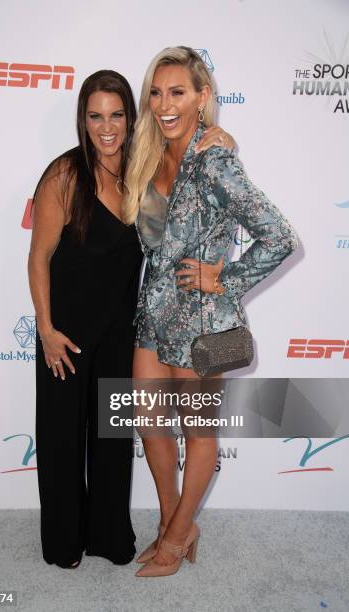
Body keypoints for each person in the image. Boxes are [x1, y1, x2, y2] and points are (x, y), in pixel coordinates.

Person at [28, 69, 234, 569]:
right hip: (65, 336)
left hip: (123, 333)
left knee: (112, 444)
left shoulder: (143, 170)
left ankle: (109, 536)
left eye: (116, 114)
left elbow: (195, 159)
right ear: (83, 119)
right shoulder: (63, 175)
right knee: (60, 441)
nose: (107, 127)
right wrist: (46, 329)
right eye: (96, 116)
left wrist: (219, 133)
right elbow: (37, 259)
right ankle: (63, 542)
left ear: (130, 116)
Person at [124, 46, 298, 577]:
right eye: (156, 92)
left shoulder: (215, 159)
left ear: (202, 97)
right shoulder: (149, 156)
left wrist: (226, 277)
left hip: (204, 324)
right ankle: (169, 522)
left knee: (198, 433)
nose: (163, 103)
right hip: (155, 316)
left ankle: (178, 537)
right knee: (150, 422)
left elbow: (279, 236)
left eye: (177, 92)